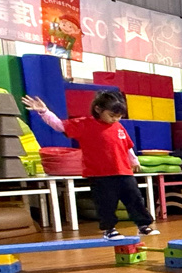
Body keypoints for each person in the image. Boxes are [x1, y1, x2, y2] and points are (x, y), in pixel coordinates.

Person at [22, 91, 160, 241]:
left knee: (135, 198)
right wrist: (44, 111)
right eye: (112, 115)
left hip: (123, 172)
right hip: (100, 174)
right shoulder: (85, 124)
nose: (115, 119)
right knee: (106, 203)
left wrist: (134, 160)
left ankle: (143, 225)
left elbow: (127, 146)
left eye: (119, 116)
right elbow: (60, 126)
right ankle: (109, 229)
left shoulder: (118, 127)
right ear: (98, 109)